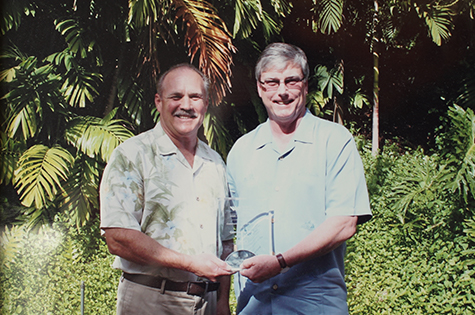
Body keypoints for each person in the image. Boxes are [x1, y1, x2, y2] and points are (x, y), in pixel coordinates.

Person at [226, 43, 372, 314]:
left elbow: (344, 224)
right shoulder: (241, 151)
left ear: (305, 86)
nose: (282, 91)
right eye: (272, 82)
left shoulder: (335, 141)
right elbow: (231, 231)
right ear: (260, 88)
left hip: (315, 304)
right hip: (254, 305)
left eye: (291, 80)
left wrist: (280, 262)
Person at [100, 64, 234, 315]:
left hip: (210, 302)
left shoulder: (215, 162)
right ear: (159, 102)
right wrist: (192, 264)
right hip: (151, 301)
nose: (186, 105)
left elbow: (225, 241)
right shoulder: (132, 155)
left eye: (195, 97)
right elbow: (118, 237)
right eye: (176, 96)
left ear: (205, 104)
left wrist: (223, 302)